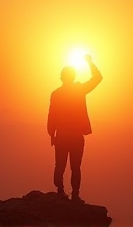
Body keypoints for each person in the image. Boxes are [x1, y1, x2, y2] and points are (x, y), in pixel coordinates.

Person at [47, 54, 103, 203]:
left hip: (62, 136)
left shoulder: (57, 94)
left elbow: (51, 115)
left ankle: (60, 192)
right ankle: (75, 195)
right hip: (76, 135)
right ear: (73, 76)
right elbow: (98, 78)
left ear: (61, 77)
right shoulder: (79, 90)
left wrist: (51, 134)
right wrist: (90, 63)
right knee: (75, 167)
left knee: (59, 165)